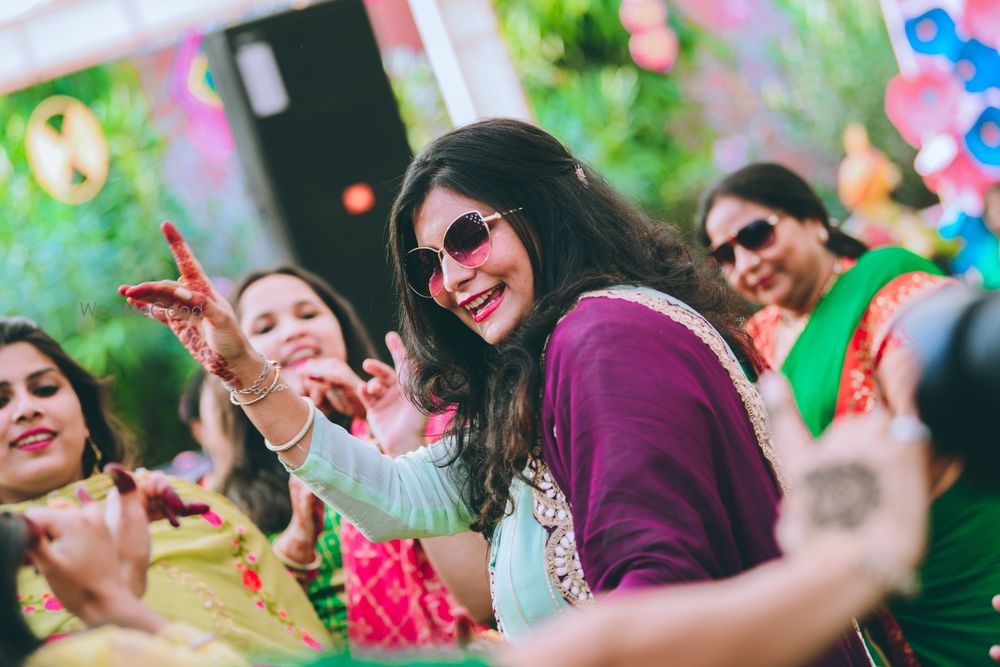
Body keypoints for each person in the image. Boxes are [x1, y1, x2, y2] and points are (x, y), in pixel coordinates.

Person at [120, 118, 870, 664]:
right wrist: (246, 373)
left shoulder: (601, 340)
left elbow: (656, 591)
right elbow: (394, 496)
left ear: (543, 211)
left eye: (469, 235)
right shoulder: (553, 364)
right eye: (428, 266)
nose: (450, 279)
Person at [0, 316, 330, 658]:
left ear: (84, 415)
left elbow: (283, 630)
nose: (27, 409)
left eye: (44, 389)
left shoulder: (184, 505)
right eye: (0, 401)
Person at [232, 266, 491, 648]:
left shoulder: (423, 417)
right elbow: (243, 625)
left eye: (308, 315)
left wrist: (386, 435)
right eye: (265, 327)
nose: (292, 331)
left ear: (340, 327)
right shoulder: (233, 494)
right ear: (234, 358)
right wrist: (298, 543)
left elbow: (485, 591)